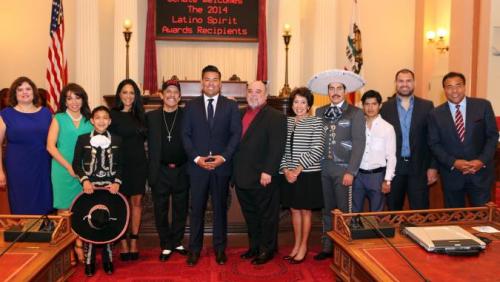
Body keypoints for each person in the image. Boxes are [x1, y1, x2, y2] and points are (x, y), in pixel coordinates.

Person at [182, 65, 241, 266]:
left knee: (220, 209)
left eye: (215, 79)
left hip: (221, 167)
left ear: (220, 83)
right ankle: (194, 249)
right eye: (207, 79)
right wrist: (197, 158)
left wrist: (223, 158)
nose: (211, 83)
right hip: (197, 167)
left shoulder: (230, 106)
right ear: (201, 83)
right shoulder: (190, 106)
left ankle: (219, 248)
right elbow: (186, 135)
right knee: (196, 209)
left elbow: (235, 135)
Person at [308, 69, 366, 260]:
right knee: (327, 209)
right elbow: (315, 139)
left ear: (345, 90)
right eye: (331, 88)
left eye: (338, 88)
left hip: (343, 170)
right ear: (327, 92)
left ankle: (344, 249)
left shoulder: (355, 113)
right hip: (323, 168)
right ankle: (327, 247)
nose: (335, 92)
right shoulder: (319, 111)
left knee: (343, 212)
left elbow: (359, 144)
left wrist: (351, 171)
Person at [233, 81, 287, 265]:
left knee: (266, 216)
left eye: (258, 91)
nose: (253, 94)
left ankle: (267, 250)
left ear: (266, 94)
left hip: (263, 177)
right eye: (250, 91)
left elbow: (277, 147)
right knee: (251, 216)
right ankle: (254, 247)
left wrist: (268, 171)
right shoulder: (239, 114)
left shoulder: (275, 116)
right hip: (241, 176)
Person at [428, 72, 498, 208]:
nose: (454, 91)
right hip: (452, 175)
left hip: (480, 174)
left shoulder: (483, 106)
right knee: (454, 221)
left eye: (458, 85)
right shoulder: (435, 114)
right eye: (449, 87)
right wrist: (454, 162)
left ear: (465, 87)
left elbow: (492, 136)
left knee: (483, 220)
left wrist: (481, 161)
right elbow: (434, 144)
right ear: (444, 90)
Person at [73, 106, 122, 276]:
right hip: (90, 188)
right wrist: (84, 180)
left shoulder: (117, 140)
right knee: (90, 222)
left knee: (106, 220)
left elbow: (122, 165)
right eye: (98, 118)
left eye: (105, 118)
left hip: (109, 189)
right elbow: (76, 164)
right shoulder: (82, 139)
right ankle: (89, 260)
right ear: (92, 120)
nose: (101, 121)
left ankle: (108, 259)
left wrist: (117, 182)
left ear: (109, 121)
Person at [46, 83, 93, 264]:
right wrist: (68, 166)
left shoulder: (89, 120)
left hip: (84, 172)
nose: (74, 102)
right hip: (62, 169)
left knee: (81, 208)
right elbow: (50, 146)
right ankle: (69, 249)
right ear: (64, 101)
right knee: (64, 209)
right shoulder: (58, 118)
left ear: (83, 99)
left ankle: (80, 243)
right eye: (69, 98)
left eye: (77, 97)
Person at [380, 69, 438, 211]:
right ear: (395, 84)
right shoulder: (385, 108)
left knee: (420, 212)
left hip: (419, 168)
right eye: (401, 81)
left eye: (408, 81)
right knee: (393, 210)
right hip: (394, 169)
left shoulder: (427, 106)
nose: (404, 84)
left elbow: (434, 139)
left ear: (414, 83)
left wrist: (433, 167)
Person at [279, 87, 324, 264]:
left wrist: (297, 169)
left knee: (305, 211)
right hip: (289, 174)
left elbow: (317, 149)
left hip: (307, 174)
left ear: (309, 105)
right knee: (294, 210)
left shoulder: (316, 122)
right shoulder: (286, 122)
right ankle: (296, 245)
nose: (299, 105)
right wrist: (285, 170)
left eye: (303, 102)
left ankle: (304, 246)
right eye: (296, 101)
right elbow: (280, 149)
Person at [146, 79, 189, 261]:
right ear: (161, 95)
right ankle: (165, 243)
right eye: (168, 92)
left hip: (182, 170)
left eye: (175, 92)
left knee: (181, 208)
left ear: (179, 97)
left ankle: (177, 241)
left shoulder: (187, 115)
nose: (171, 95)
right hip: (160, 170)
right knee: (160, 210)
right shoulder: (151, 117)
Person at [0, 76, 53, 215]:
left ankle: (42, 233)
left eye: (28, 89)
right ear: (14, 94)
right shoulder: (6, 114)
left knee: (44, 200)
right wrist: (0, 171)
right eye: (20, 89)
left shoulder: (46, 113)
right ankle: (25, 234)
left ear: (34, 92)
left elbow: (54, 141)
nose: (24, 92)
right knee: (21, 202)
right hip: (17, 166)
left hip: (42, 164)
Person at [109, 79, 147, 261]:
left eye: (132, 92)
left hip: (139, 164)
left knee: (137, 202)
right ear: (119, 94)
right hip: (119, 165)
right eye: (125, 92)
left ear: (136, 95)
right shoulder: (112, 115)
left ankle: (134, 240)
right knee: (120, 203)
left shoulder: (141, 115)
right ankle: (123, 242)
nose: (128, 96)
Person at [352, 90, 396, 212]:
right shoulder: (357, 125)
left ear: (380, 105)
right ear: (362, 106)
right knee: (354, 213)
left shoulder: (387, 128)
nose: (370, 107)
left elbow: (391, 156)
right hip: (358, 175)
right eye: (367, 104)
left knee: (377, 214)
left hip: (377, 176)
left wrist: (387, 180)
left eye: (374, 104)